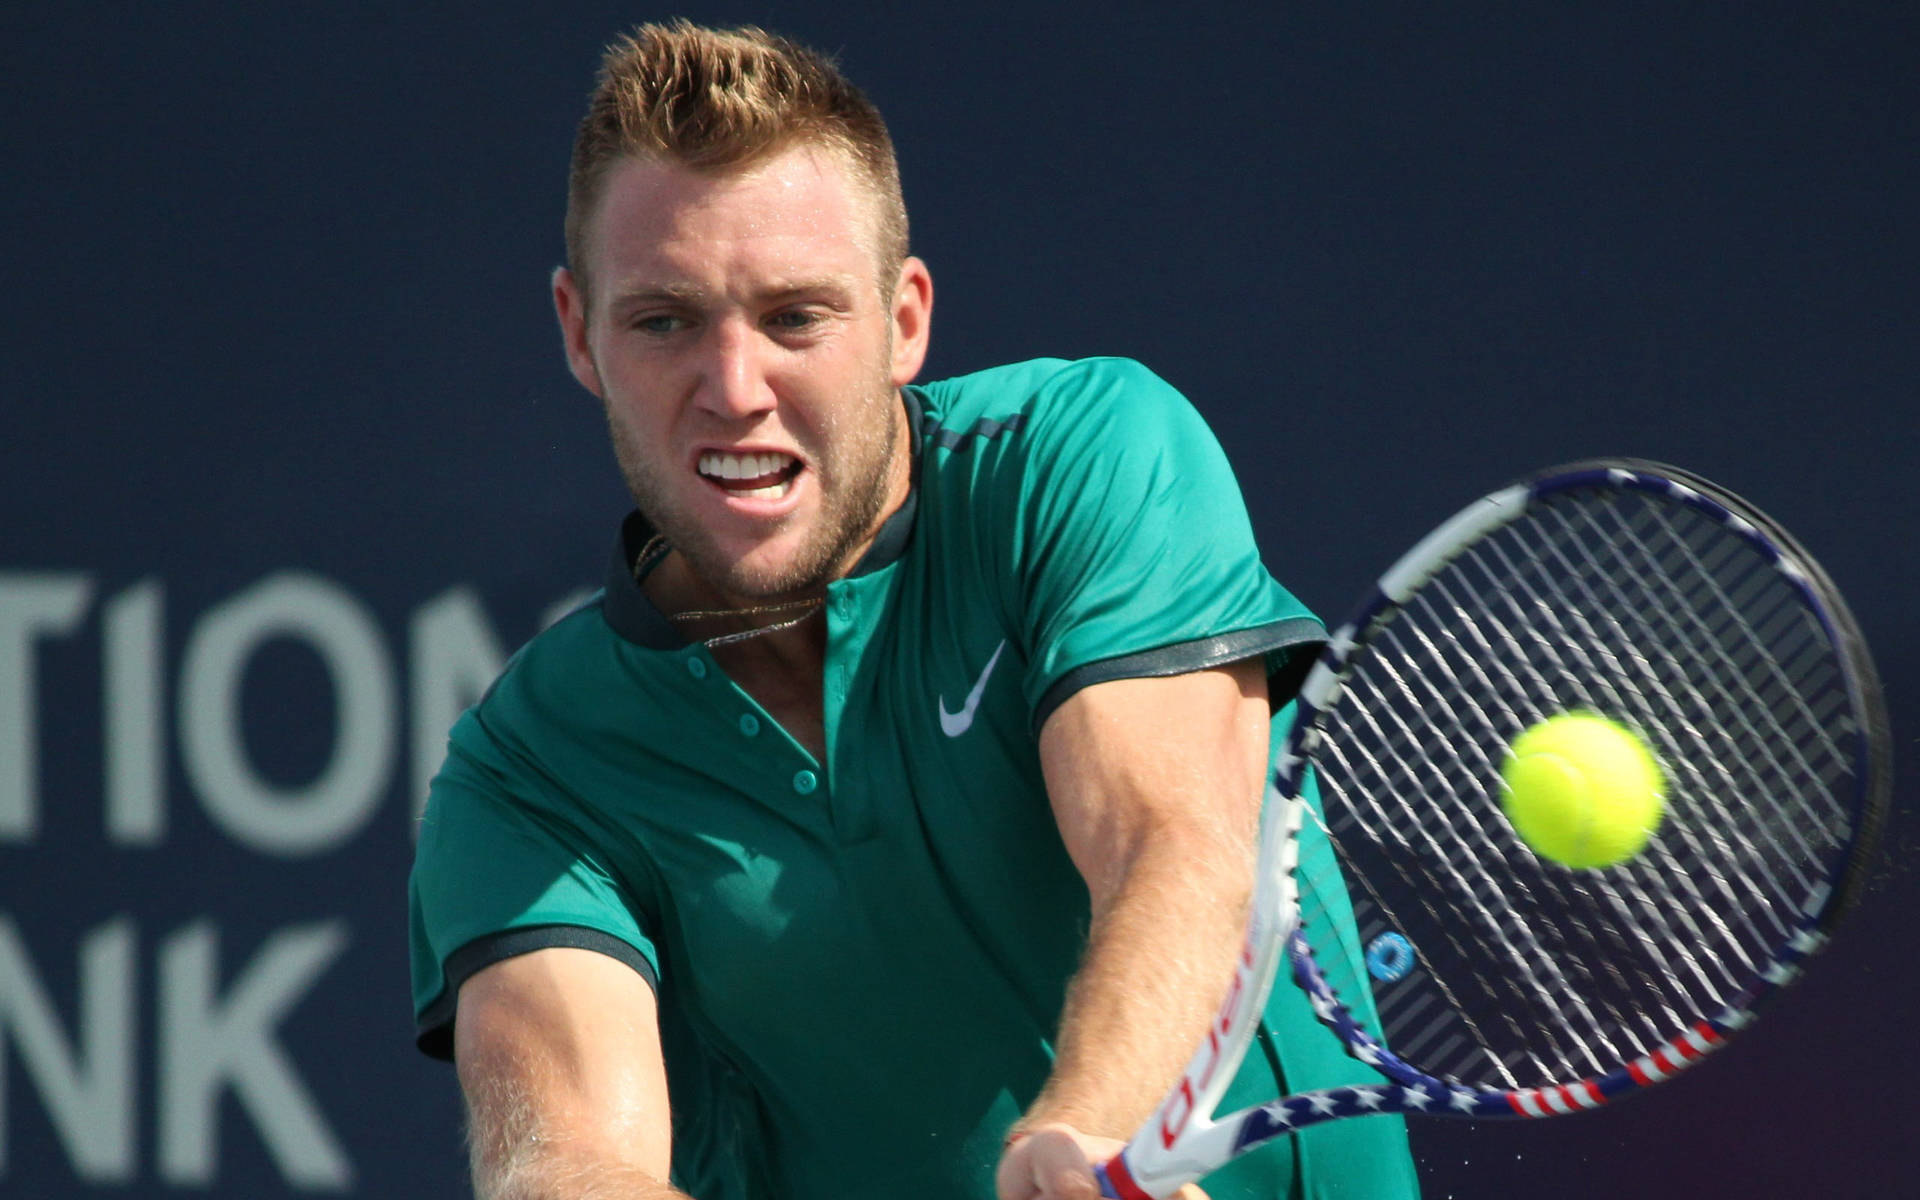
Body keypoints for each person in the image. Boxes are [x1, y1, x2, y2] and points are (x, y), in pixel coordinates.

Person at [408, 20, 1418, 1200]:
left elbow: (1167, 840)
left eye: (796, 317)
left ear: (904, 321)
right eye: (666, 320)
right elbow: (570, 1166)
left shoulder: (1079, 455)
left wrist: (1083, 1140)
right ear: (581, 332)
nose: (734, 390)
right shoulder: (529, 769)